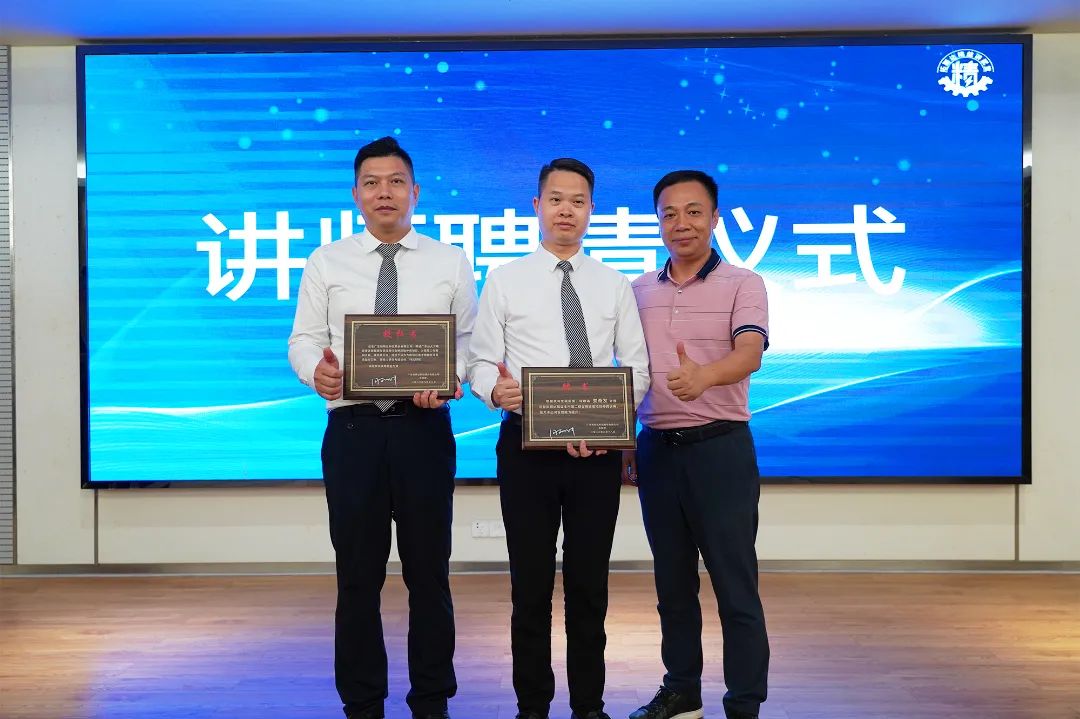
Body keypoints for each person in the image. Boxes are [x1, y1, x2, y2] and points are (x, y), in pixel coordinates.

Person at [288, 136, 477, 719]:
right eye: (372, 183)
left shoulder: (449, 261)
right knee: (357, 577)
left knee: (430, 574)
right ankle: (363, 702)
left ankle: (432, 700)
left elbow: (469, 345)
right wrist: (316, 373)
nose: (384, 193)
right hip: (354, 433)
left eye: (396, 182)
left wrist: (450, 379)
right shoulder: (327, 261)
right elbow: (303, 340)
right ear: (356, 194)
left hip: (424, 430)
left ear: (415, 191)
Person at [468, 158, 650, 719]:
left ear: (592, 209)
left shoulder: (613, 283)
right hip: (526, 448)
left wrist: (606, 423)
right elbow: (480, 361)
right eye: (555, 199)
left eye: (577, 200)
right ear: (537, 206)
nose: (566, 210)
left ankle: (589, 705)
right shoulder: (504, 279)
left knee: (589, 586)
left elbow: (637, 366)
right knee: (529, 586)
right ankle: (533, 705)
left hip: (597, 452)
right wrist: (495, 390)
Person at [625, 170, 770, 719]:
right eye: (669, 213)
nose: (680, 223)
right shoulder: (638, 291)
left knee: (735, 584)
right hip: (657, 450)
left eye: (693, 211)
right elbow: (629, 370)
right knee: (672, 583)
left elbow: (750, 353)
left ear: (714, 218)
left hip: (720, 450)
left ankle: (744, 703)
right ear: (658, 221)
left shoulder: (744, 283)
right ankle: (682, 689)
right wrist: (626, 439)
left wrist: (704, 377)